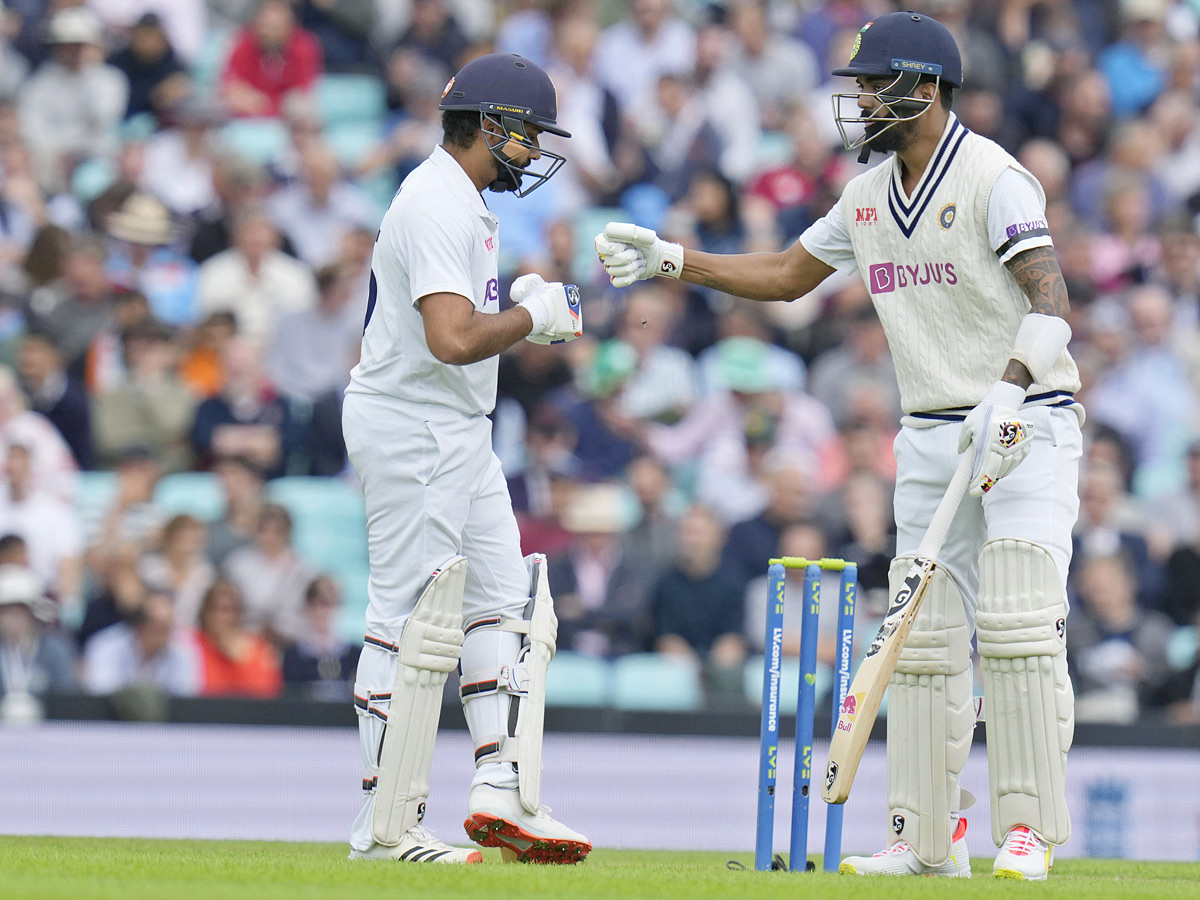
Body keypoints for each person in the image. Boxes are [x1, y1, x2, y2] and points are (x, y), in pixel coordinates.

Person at [596, 12, 1081, 881]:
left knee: (1015, 627)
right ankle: (929, 838)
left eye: (873, 86)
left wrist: (1008, 389)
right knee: (924, 640)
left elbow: (1051, 299)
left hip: (1024, 421)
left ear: (923, 91)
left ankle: (1030, 828)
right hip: (932, 433)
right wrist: (674, 260)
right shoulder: (865, 199)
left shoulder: (994, 178)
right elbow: (787, 276)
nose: (858, 103)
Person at [341, 53, 590, 865]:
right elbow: (451, 340)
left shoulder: (464, 202)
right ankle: (384, 825)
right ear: (491, 126)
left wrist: (522, 317)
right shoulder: (435, 200)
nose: (531, 152)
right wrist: (530, 316)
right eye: (526, 136)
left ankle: (497, 791)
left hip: (459, 425)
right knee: (404, 619)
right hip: (411, 422)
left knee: (500, 597)